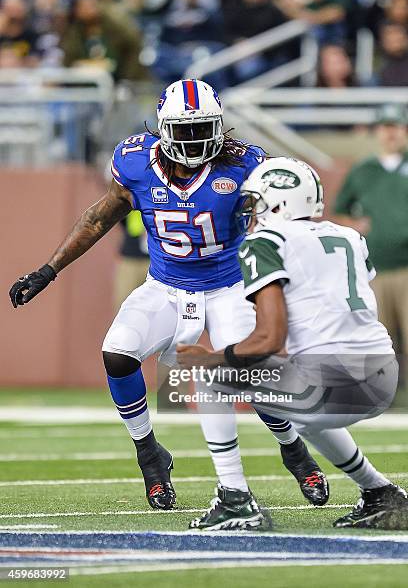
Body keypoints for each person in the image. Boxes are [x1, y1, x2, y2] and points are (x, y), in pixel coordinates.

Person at [9, 79, 328, 523]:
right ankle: (150, 455)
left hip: (230, 286)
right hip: (166, 286)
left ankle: (293, 449)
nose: (197, 140)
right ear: (164, 130)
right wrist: (49, 268)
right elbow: (99, 217)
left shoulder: (246, 164)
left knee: (250, 373)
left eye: (204, 129)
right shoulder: (135, 161)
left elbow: (286, 213)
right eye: (187, 130)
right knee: (117, 353)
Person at [178, 157, 408, 530]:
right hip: (383, 374)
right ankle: (380, 492)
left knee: (210, 376)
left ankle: (235, 499)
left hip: (333, 383)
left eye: (257, 202)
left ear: (280, 203)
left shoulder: (266, 241)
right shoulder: (348, 235)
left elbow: (270, 338)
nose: (251, 212)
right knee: (306, 413)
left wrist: (216, 357)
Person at [334, 103, 408, 367]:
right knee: (380, 340)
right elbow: (340, 211)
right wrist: (354, 225)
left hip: (407, 267)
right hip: (375, 269)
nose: (391, 133)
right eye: (386, 127)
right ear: (378, 131)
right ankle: (388, 401)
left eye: (397, 127)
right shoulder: (363, 170)